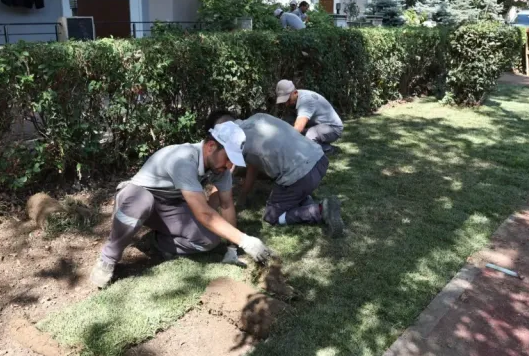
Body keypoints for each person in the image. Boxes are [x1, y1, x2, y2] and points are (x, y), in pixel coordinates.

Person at [90, 122, 275, 289]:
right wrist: (245, 240)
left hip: (170, 206)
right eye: (228, 157)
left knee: (210, 240)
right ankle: (108, 258)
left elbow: (226, 205)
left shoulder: (220, 170)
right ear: (211, 146)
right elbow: (205, 214)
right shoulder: (183, 159)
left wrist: (232, 248)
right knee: (142, 201)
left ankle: (159, 242)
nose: (229, 165)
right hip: (136, 198)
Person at [206, 111, 344, 237]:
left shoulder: (234, 142)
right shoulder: (258, 117)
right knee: (287, 182)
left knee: (272, 217)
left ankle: (319, 210)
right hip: (320, 160)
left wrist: (208, 214)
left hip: (302, 175)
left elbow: (223, 181)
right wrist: (243, 196)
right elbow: (253, 167)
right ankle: (304, 200)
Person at [275, 79, 344, 154]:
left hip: (333, 128)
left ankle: (328, 149)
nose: (286, 104)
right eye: (284, 101)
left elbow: (298, 128)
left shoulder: (306, 101)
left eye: (288, 100)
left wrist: (283, 146)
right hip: (318, 125)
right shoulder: (296, 97)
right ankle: (318, 144)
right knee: (289, 123)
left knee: (309, 136)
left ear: (295, 93)